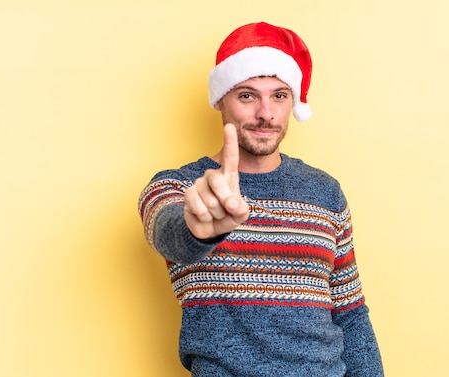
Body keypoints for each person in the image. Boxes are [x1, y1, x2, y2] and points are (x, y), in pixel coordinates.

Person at [138, 22, 384, 377]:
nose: (266, 113)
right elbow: (169, 231)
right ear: (221, 100)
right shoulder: (176, 186)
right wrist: (198, 229)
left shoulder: (326, 192)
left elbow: (350, 312)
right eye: (247, 96)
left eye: (279, 96)